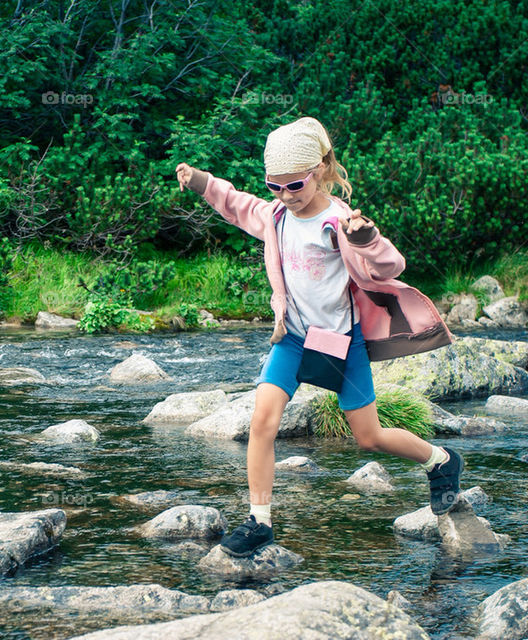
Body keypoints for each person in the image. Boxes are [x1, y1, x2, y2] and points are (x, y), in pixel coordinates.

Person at [175, 116, 464, 558]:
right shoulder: (275, 214)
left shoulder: (340, 221)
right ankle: (260, 521)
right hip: (292, 337)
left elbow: (389, 269)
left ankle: (440, 461)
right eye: (275, 186)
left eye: (295, 185)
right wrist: (201, 182)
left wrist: (368, 241)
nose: (285, 195)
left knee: (368, 437)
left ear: (322, 167)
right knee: (262, 423)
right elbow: (235, 203)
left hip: (340, 343)